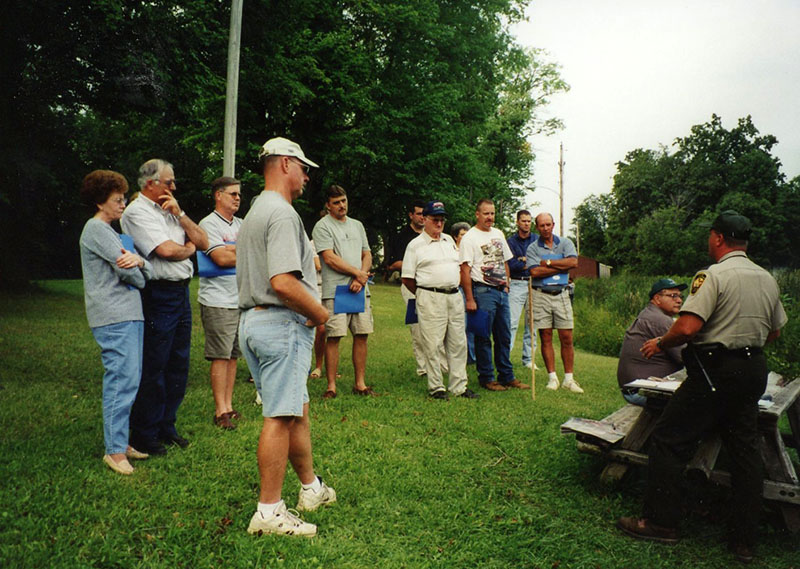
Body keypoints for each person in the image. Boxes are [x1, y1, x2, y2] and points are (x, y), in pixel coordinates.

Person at [617, 210, 788, 564]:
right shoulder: (767, 278)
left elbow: (688, 328)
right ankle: (743, 541)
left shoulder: (712, 275)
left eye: (710, 236)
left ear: (719, 238)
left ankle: (661, 523)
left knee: (668, 438)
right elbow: (775, 331)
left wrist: (662, 343)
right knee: (744, 451)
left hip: (714, 369)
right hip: (752, 367)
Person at [238, 136, 336, 537]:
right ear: (283, 165)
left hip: (255, 322)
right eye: (302, 167)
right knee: (279, 415)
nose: (307, 175)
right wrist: (319, 312)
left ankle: (310, 488)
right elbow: (282, 281)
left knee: (295, 407)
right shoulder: (282, 214)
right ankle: (268, 512)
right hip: (280, 323)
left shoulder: (256, 210)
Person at [121, 159, 208, 455]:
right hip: (158, 294)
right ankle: (144, 433)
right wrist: (187, 251)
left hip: (180, 294)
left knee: (178, 363)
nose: (174, 187)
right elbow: (166, 251)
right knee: (155, 364)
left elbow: (203, 241)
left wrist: (181, 215)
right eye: (169, 182)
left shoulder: (170, 210)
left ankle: (166, 426)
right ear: (150, 184)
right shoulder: (136, 213)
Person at [79, 170, 152, 475]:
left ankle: (121, 443)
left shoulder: (111, 231)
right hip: (113, 317)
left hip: (129, 314)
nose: (123, 204)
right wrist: (138, 266)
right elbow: (132, 275)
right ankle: (113, 451)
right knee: (121, 381)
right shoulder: (96, 230)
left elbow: (141, 272)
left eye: (123, 199)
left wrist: (140, 262)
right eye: (117, 200)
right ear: (100, 202)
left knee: (130, 379)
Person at [401, 200, 478, 400]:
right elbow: (407, 278)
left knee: (458, 342)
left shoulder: (449, 241)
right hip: (429, 295)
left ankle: (459, 386)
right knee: (433, 343)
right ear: (424, 219)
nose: (439, 224)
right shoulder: (415, 245)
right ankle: (436, 387)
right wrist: (424, 293)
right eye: (435, 219)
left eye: (442, 220)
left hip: (453, 296)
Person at [312, 185, 376, 398]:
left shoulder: (357, 225)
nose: (342, 205)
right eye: (337, 202)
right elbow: (329, 258)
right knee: (334, 336)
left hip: (359, 289)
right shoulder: (322, 227)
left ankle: (360, 383)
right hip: (336, 289)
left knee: (361, 334)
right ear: (328, 205)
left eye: (344, 200)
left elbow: (367, 254)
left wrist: (362, 275)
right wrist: (357, 274)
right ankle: (331, 386)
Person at [459, 199, 529, 391]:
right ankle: (487, 378)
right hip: (482, 291)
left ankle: (507, 376)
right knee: (483, 337)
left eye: (492, 214)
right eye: (486, 213)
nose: (490, 217)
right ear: (477, 215)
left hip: (501, 292)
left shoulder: (498, 234)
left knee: (504, 335)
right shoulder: (470, 238)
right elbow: (465, 269)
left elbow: (505, 260)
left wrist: (507, 284)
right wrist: (470, 298)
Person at [198, 176, 243, 430]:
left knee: (233, 354)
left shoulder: (242, 224)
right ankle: (219, 410)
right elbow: (219, 258)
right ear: (218, 195)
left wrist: (231, 249)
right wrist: (238, 251)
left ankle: (229, 405)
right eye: (232, 194)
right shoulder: (208, 224)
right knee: (220, 355)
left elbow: (257, 251)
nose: (237, 198)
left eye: (239, 194)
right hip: (217, 299)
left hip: (239, 298)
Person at [525, 212, 581, 393]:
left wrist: (547, 262)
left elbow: (573, 262)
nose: (545, 228)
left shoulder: (565, 243)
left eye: (548, 224)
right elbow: (534, 272)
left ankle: (569, 379)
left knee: (566, 336)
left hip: (562, 293)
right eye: (542, 225)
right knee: (546, 336)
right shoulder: (533, 248)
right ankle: (553, 378)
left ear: (553, 224)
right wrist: (560, 265)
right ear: (537, 227)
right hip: (541, 294)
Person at [616, 278, 687, 406]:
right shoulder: (659, 320)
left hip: (635, 389)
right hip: (643, 392)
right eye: (673, 296)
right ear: (657, 298)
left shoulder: (650, 314)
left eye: (680, 296)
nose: (679, 300)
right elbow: (685, 357)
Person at [386, 200, 432, 377]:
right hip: (410, 285)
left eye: (424, 214)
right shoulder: (402, 237)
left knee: (435, 325)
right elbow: (393, 263)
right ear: (411, 215)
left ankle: (440, 364)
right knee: (417, 326)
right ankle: (423, 367)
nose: (422, 217)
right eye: (419, 214)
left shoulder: (431, 236)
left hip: (431, 285)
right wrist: (418, 265)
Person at [506, 210, 538, 370]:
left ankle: (529, 360)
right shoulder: (510, 242)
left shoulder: (537, 240)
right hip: (517, 284)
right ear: (517, 222)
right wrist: (526, 262)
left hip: (534, 284)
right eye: (523, 221)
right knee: (511, 323)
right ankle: (505, 357)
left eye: (529, 221)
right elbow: (510, 265)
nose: (526, 223)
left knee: (532, 324)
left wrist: (524, 260)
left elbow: (541, 261)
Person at [450, 221, 475, 364]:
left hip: (472, 289)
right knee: (461, 324)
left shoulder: (471, 250)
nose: (466, 238)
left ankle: (472, 356)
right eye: (462, 235)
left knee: (473, 324)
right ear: (455, 237)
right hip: (458, 289)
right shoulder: (452, 252)